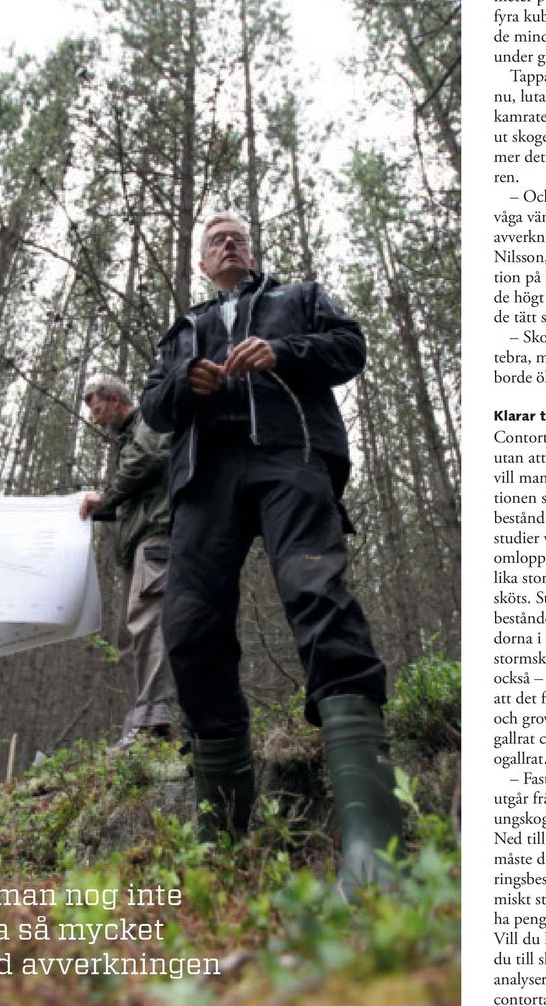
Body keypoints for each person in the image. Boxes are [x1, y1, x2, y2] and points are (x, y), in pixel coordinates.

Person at [140, 210, 401, 895]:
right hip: (203, 476)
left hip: (292, 455)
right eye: (214, 238)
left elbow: (350, 347)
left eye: (237, 235)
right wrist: (184, 382)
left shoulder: (299, 299)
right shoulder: (185, 327)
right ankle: (222, 833)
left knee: (318, 593)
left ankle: (373, 842)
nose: (228, 241)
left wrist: (283, 352)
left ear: (250, 251)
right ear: (202, 262)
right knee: (189, 627)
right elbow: (154, 408)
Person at [79, 376, 178, 750]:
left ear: (116, 400)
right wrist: (96, 506)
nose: (96, 419)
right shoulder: (128, 439)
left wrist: (104, 497)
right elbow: (130, 494)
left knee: (148, 623)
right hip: (141, 541)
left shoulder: (149, 418)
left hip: (158, 536)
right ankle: (145, 720)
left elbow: (147, 460)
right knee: (132, 632)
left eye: (99, 410)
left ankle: (155, 723)